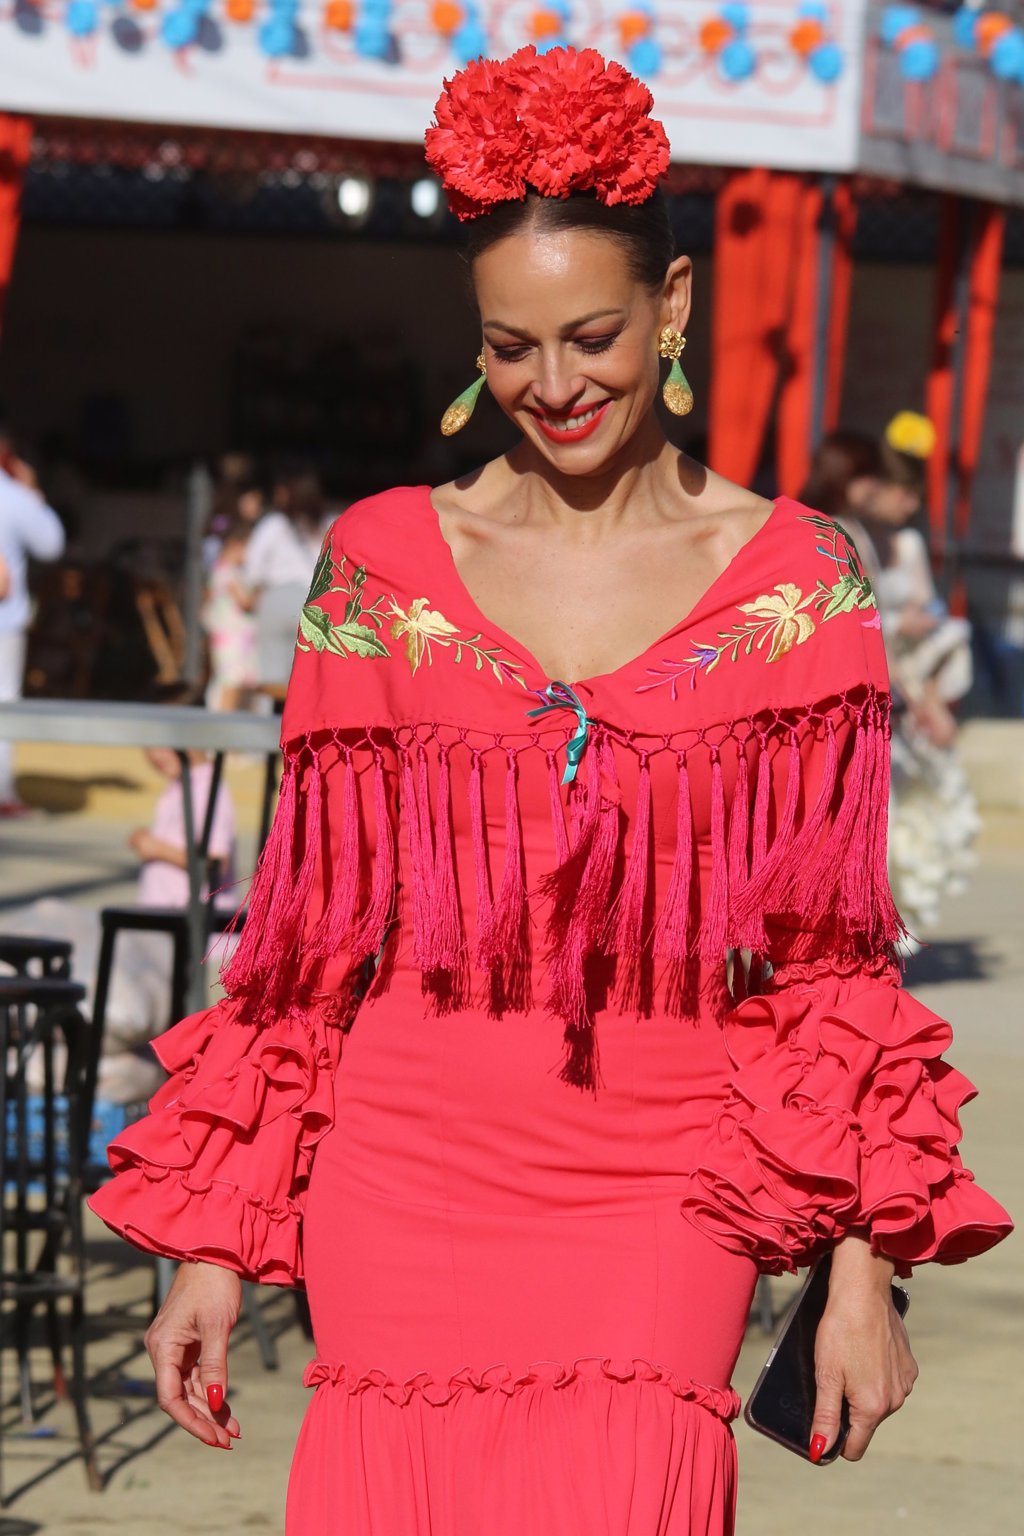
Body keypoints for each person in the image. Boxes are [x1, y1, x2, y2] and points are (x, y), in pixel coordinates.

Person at [88, 47, 1012, 1536]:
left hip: (670, 1185)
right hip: (405, 1172)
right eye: (510, 348)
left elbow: (835, 960)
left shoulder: (801, 585)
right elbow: (306, 944)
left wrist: (862, 1263)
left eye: (592, 335)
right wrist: (215, 1245)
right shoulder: (376, 570)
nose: (555, 384)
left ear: (675, 306)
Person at [0, 433, 65, 815]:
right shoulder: (12, 495)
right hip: (4, 621)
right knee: (3, 702)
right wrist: (33, 492)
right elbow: (51, 543)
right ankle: (2, 792)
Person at [244, 470, 331, 693]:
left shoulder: (273, 525)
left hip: (277, 599)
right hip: (316, 603)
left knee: (271, 676)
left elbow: (253, 571)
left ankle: (271, 725)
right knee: (311, 677)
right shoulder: (330, 523)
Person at [201, 517, 258, 713]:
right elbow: (246, 603)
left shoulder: (218, 570)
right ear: (235, 545)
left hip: (227, 636)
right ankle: (224, 736)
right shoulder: (230, 573)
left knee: (232, 683)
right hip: (233, 638)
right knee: (231, 683)